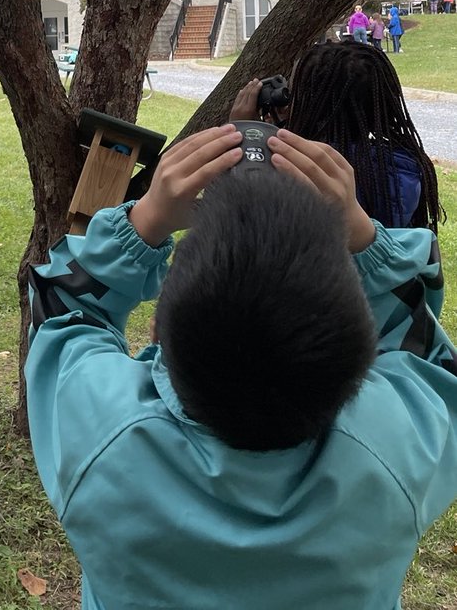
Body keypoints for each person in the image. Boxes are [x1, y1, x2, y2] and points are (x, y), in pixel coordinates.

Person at [25, 126, 457, 610]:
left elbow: (61, 310)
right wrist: (363, 236)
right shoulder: (398, 451)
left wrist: (145, 219)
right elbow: (424, 352)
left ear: (162, 334)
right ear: (358, 348)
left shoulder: (103, 437)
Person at [232, 41, 441, 233]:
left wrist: (247, 137)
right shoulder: (403, 169)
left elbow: (244, 222)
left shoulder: (291, 172)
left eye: (294, 93)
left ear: (310, 107)